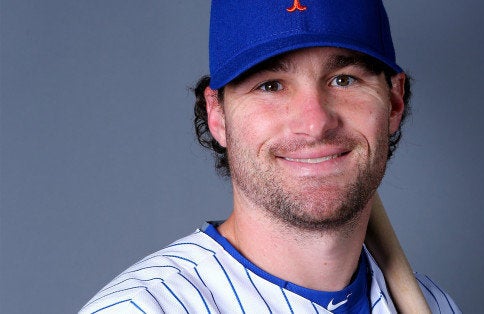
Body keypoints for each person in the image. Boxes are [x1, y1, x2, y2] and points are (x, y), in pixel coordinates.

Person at [80, 1, 461, 313]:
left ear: (394, 101)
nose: (315, 124)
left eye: (344, 79)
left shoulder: (434, 305)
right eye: (270, 85)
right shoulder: (144, 308)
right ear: (217, 115)